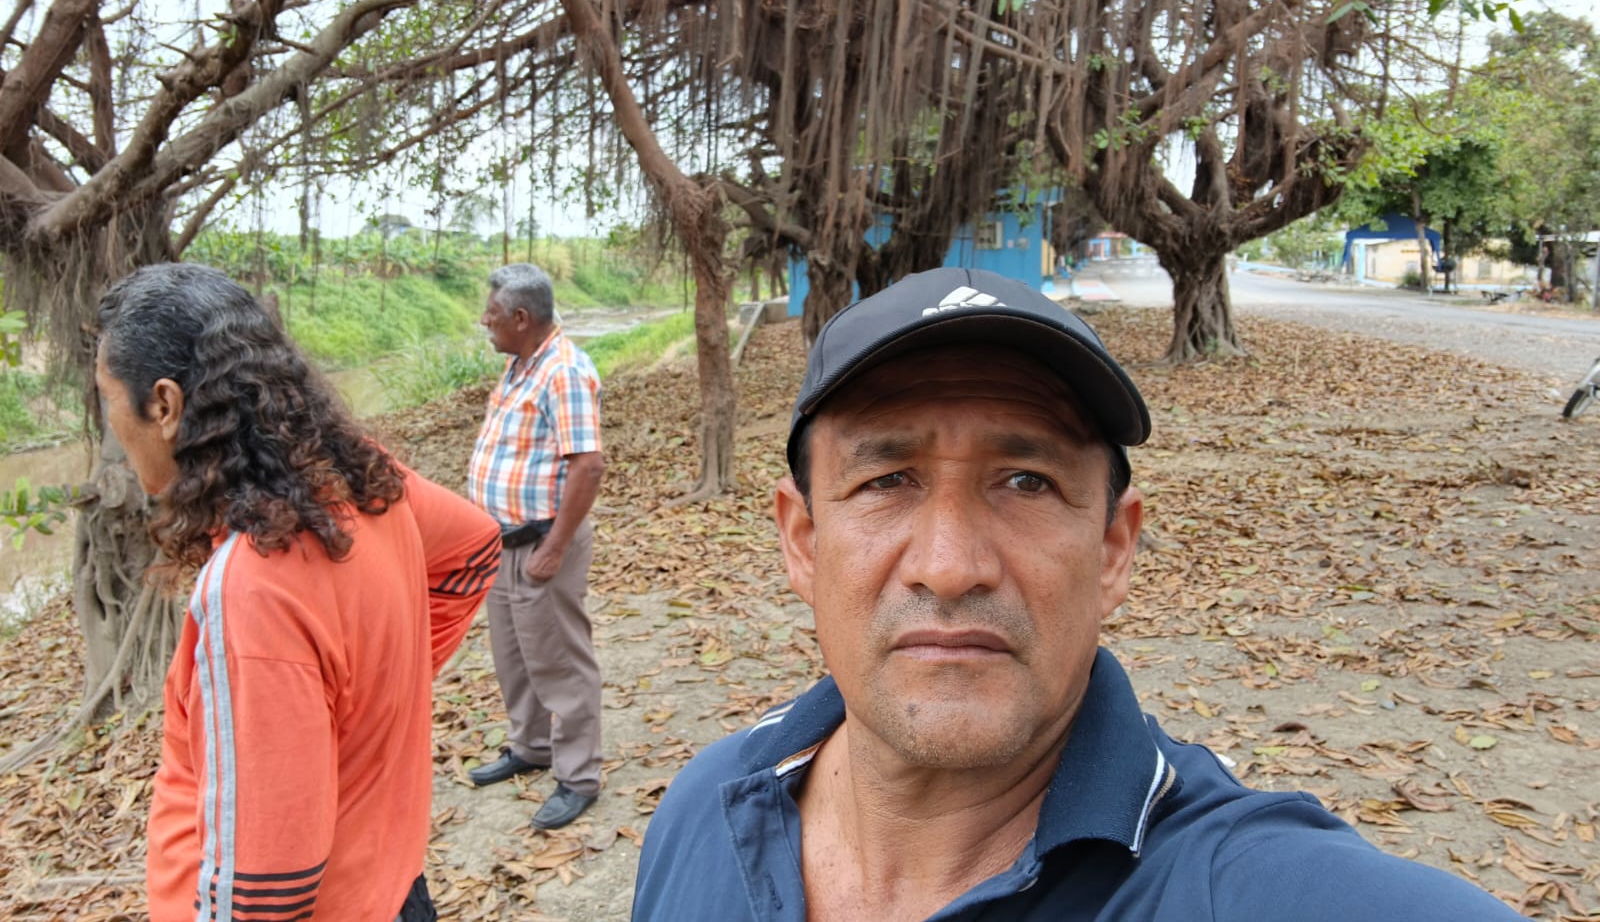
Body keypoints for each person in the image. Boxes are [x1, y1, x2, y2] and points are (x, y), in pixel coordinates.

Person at [632, 267, 1522, 921]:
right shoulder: (707, 809)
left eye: (1026, 482)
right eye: (887, 480)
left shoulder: (1231, 885)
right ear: (803, 541)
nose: (950, 565)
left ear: (1111, 549)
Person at [97, 263, 501, 922]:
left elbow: (265, 892)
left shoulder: (250, 589)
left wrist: (366, 694)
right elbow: (473, 546)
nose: (111, 423)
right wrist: (374, 695)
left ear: (164, 405)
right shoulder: (357, 481)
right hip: (395, 888)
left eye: (107, 397)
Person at [466, 263, 606, 830]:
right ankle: (531, 746)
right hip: (501, 544)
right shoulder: (521, 365)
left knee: (559, 661)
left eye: (492, 313)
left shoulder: (563, 371)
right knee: (515, 655)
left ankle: (579, 776)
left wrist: (554, 546)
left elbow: (588, 465)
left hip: (542, 543)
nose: (485, 321)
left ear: (521, 318)